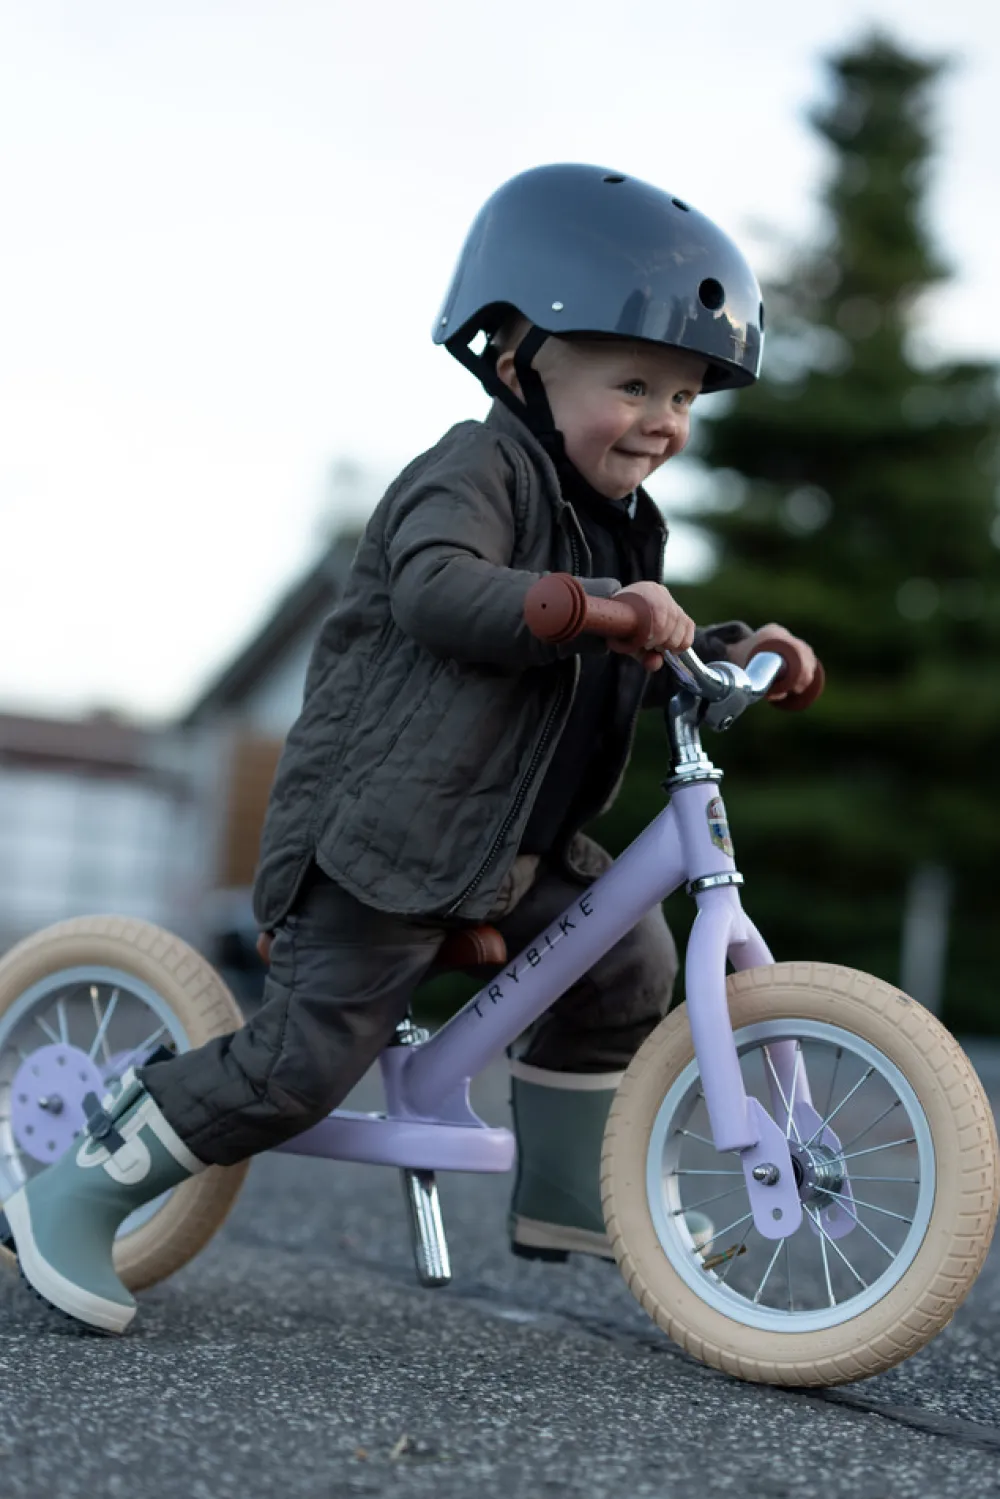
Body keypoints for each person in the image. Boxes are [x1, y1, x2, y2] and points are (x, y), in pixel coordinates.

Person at [1, 163, 818, 1331]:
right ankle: (73, 1192)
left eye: (685, 396)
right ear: (516, 361)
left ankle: (573, 1198)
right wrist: (590, 602)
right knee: (295, 1065)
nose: (662, 421)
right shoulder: (470, 470)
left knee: (627, 963)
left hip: (508, 850)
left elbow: (624, 655)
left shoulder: (622, 522)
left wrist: (731, 647)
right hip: (387, 838)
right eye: (632, 381)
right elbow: (442, 592)